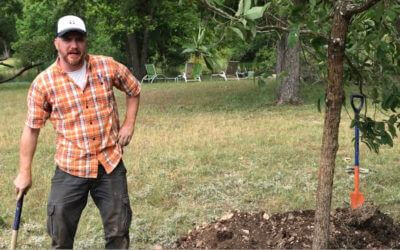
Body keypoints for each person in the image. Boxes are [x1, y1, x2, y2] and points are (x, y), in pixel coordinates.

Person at [13, 15, 141, 249]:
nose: (74, 45)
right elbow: (31, 129)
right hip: (70, 166)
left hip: (109, 163)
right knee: (60, 235)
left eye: (79, 39)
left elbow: (134, 89)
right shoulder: (43, 83)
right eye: (67, 39)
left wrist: (129, 124)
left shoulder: (106, 66)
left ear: (85, 41)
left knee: (118, 231)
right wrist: (24, 172)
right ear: (56, 43)